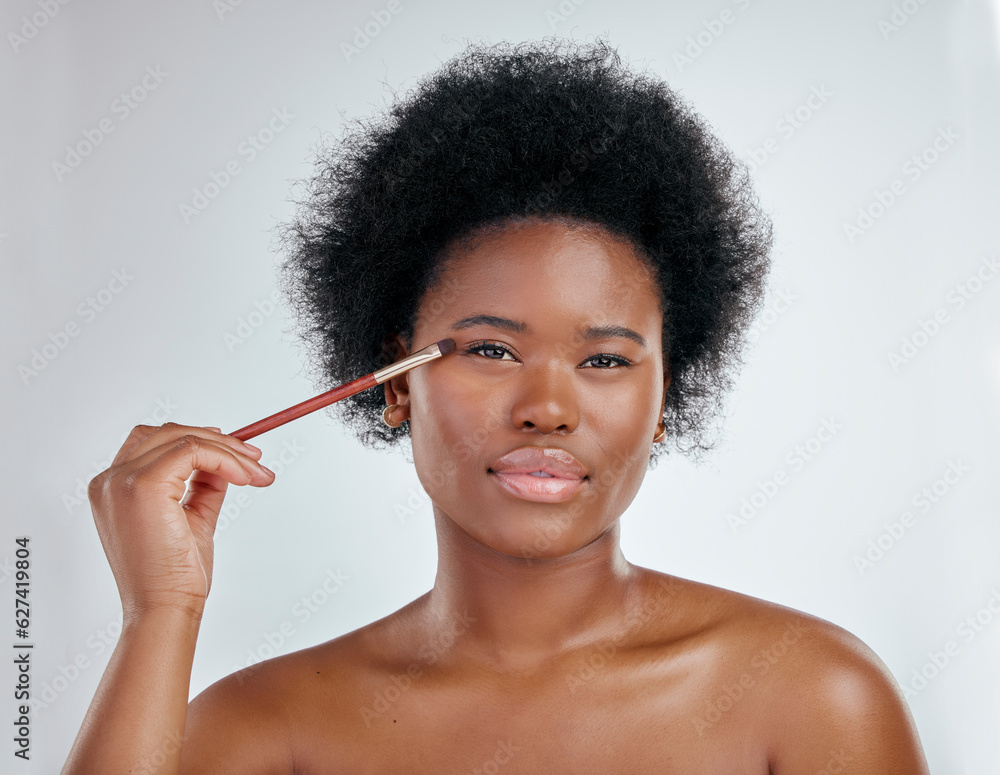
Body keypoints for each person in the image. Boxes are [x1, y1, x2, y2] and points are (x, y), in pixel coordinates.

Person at [63, 38, 930, 773]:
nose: (548, 407)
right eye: (490, 349)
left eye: (604, 358)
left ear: (668, 397)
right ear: (397, 382)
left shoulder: (814, 700)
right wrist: (159, 613)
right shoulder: (263, 729)